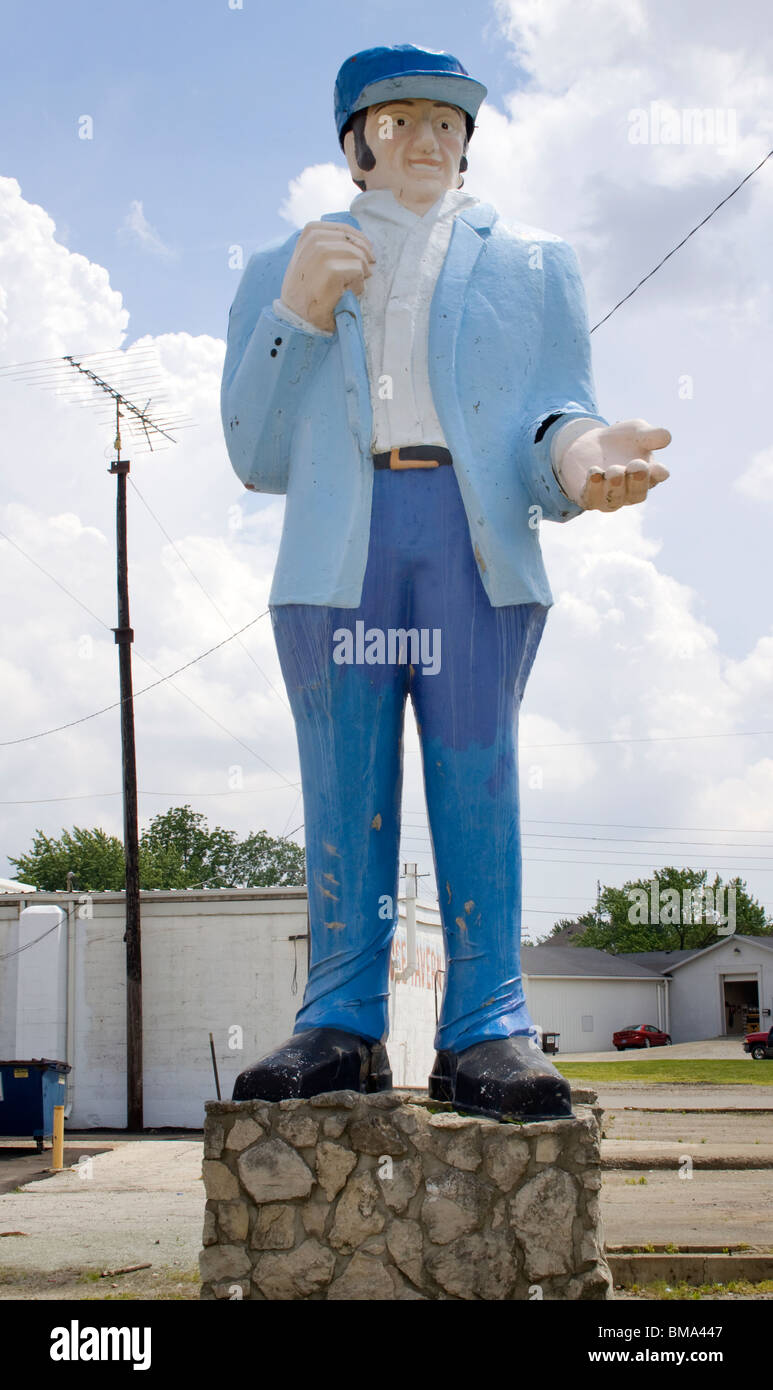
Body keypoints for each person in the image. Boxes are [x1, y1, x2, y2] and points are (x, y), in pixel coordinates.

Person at [221, 44, 671, 1119]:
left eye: (445, 121)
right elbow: (255, 454)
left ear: (466, 144)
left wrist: (575, 455)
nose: (424, 138)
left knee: (478, 779)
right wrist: (290, 317)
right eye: (396, 119)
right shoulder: (280, 265)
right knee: (342, 782)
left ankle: (486, 1026)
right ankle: (340, 1020)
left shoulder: (533, 263)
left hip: (471, 540)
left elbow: (552, 412)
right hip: (340, 544)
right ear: (353, 144)